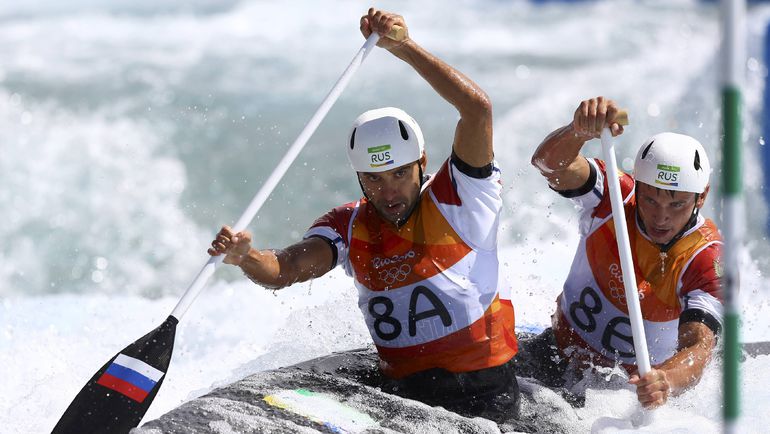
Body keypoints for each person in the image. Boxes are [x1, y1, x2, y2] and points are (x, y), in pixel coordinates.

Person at [208, 8, 521, 424]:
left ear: (422, 163)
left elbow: (477, 110)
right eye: (373, 179)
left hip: (485, 395)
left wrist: (404, 48)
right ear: (358, 176)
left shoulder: (459, 198)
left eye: (398, 173)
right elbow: (284, 269)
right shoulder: (348, 224)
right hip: (404, 403)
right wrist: (245, 255)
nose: (388, 191)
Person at [525, 96, 723, 409]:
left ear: (702, 197)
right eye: (651, 201)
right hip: (553, 355)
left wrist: (666, 380)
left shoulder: (704, 258)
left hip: (625, 396)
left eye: (677, 204)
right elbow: (547, 163)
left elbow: (700, 346)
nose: (661, 218)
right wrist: (578, 131)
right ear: (639, 188)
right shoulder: (615, 195)